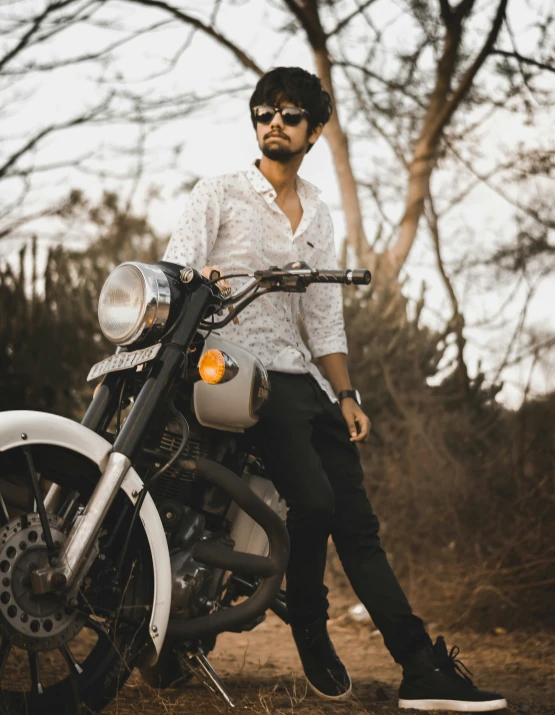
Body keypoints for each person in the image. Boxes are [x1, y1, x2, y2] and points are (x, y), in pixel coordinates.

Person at [163, 66, 507, 713]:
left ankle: (420, 667)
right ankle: (313, 625)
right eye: (264, 112)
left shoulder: (317, 208)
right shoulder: (221, 191)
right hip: (242, 372)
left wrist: (348, 395)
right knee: (314, 498)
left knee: (360, 527)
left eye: (289, 115)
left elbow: (324, 316)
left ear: (314, 131)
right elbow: (180, 260)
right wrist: (200, 273)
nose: (273, 124)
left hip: (306, 381)